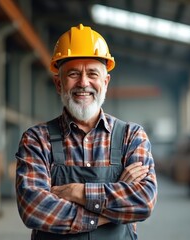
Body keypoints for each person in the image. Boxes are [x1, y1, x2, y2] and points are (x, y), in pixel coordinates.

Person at [15, 23, 157, 240]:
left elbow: (143, 202)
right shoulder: (36, 139)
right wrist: (117, 197)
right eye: (73, 74)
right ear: (59, 83)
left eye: (92, 73)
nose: (83, 83)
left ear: (105, 82)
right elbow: (34, 209)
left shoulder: (132, 136)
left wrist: (75, 192)